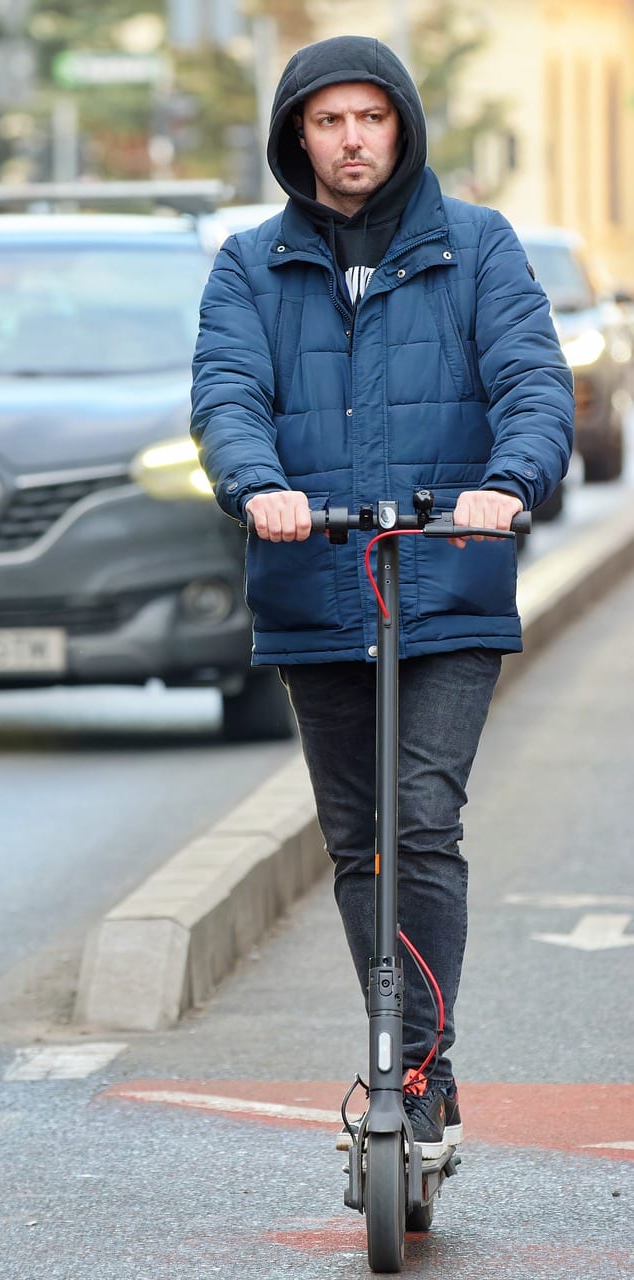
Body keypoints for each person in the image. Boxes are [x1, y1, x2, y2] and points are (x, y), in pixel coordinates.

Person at [190, 35, 574, 1155]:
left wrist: (506, 486)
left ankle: (418, 1070)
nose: (351, 139)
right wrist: (259, 486)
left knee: (419, 819)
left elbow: (531, 380)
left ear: (400, 126)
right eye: (327, 120)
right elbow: (227, 392)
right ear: (296, 136)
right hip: (317, 584)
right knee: (357, 837)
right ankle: (392, 1054)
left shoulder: (478, 247)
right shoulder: (248, 265)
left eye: (370, 117)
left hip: (445, 582)